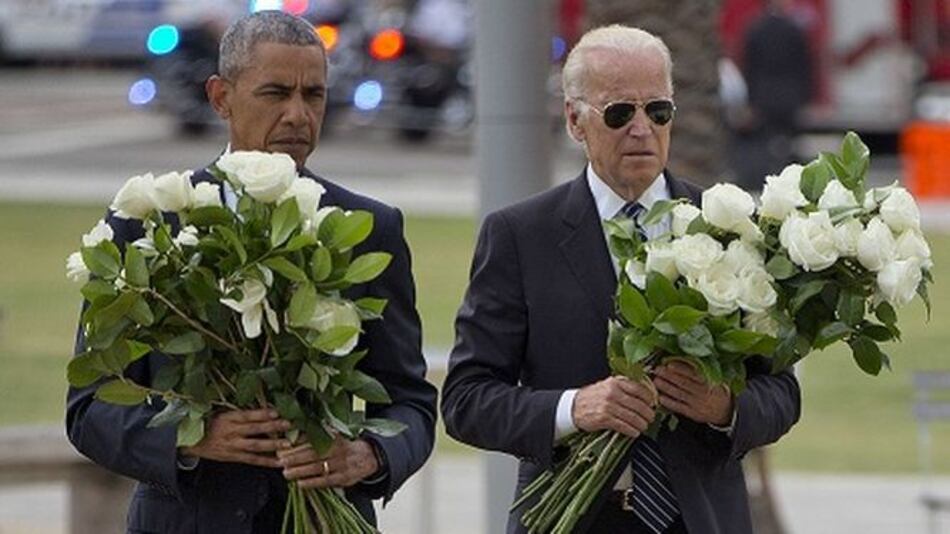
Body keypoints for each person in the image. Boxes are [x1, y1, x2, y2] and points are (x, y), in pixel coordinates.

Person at [66, 11, 437, 533]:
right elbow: (89, 409)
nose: (297, 115)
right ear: (221, 97)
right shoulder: (151, 223)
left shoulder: (367, 227)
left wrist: (368, 455)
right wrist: (192, 438)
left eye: (314, 95)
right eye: (275, 93)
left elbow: (411, 403)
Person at [441, 25, 801, 534]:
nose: (641, 129)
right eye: (619, 113)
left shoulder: (728, 227)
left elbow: (782, 394)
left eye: (658, 111)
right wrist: (574, 408)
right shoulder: (521, 235)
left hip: (700, 519)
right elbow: (466, 400)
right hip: (570, 520)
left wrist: (723, 406)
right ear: (574, 120)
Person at [736, 0, 813, 190]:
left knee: (764, 142)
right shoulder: (794, 29)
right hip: (790, 94)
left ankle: (766, 182)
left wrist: (750, 99)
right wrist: (805, 96)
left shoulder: (755, 28)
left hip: (763, 95)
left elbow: (750, 67)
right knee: (790, 141)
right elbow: (804, 65)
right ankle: (792, 181)